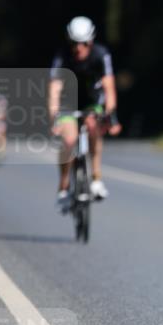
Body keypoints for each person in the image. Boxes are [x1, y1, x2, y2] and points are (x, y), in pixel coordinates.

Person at [48, 16, 121, 210]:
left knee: (92, 126)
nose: (78, 48)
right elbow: (54, 89)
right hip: (68, 102)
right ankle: (63, 185)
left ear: (91, 41)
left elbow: (109, 88)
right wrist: (53, 117)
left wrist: (110, 114)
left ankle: (96, 178)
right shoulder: (62, 56)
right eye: (74, 43)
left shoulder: (100, 54)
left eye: (83, 43)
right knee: (69, 140)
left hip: (91, 101)